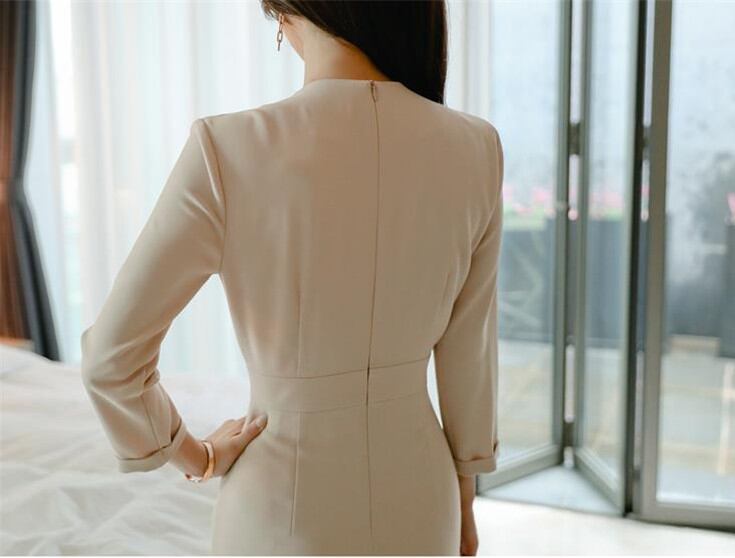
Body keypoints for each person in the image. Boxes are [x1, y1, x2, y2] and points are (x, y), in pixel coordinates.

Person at [80, 0, 503, 555]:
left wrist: (196, 455)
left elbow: (110, 360)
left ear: (286, 16)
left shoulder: (226, 147)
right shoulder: (477, 147)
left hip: (281, 507)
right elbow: (469, 356)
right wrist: (464, 501)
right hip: (423, 497)